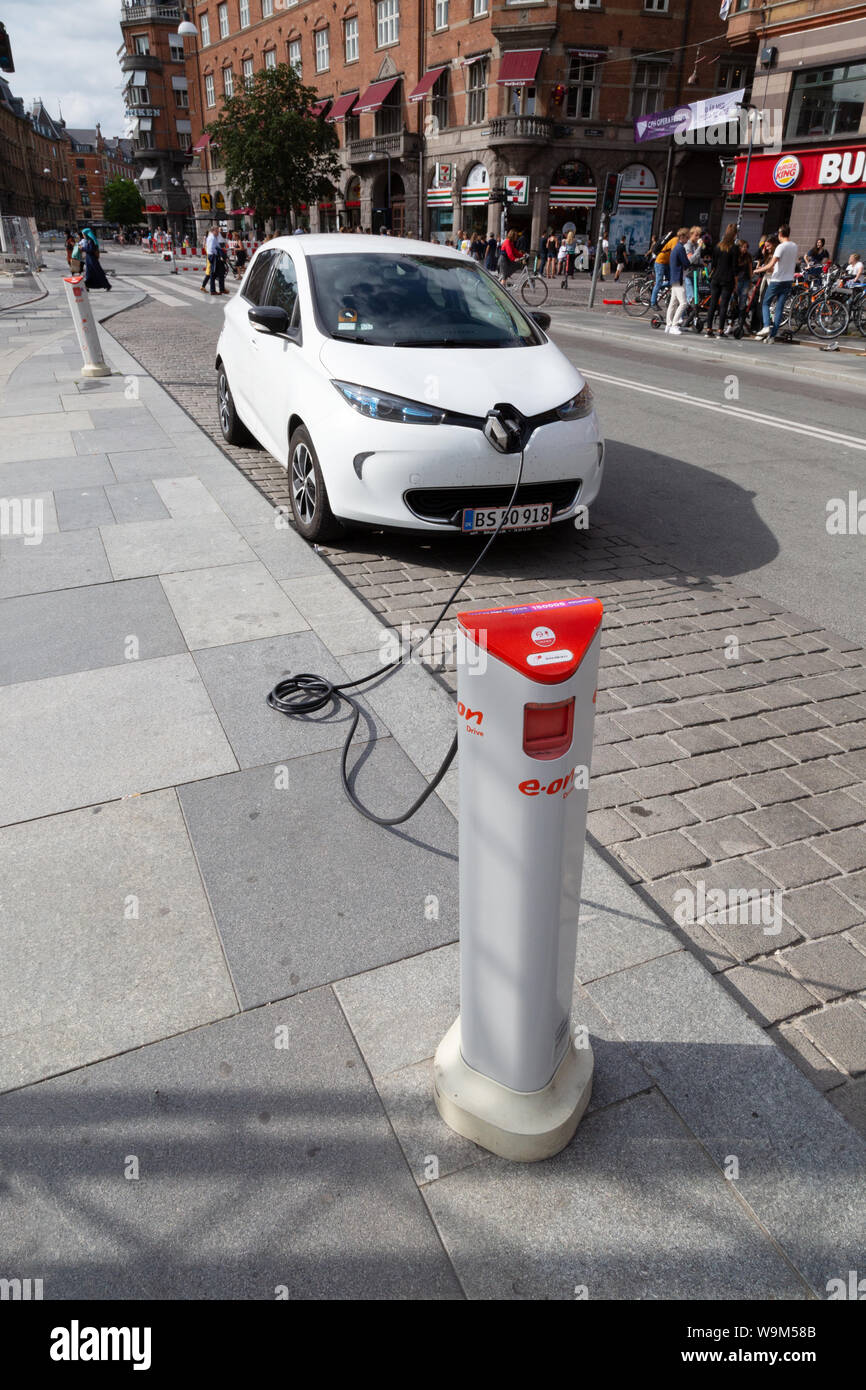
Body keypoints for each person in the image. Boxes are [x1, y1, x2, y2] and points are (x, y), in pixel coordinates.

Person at [754, 224, 798, 343]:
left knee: (765, 303)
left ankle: (766, 326)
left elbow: (770, 265)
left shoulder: (780, 247)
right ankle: (772, 337)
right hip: (788, 280)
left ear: (780, 234)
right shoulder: (794, 246)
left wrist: (756, 270)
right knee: (779, 308)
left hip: (777, 279)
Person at [704, 222, 739, 337]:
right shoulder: (734, 248)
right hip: (727, 279)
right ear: (734, 234)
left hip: (716, 278)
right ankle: (720, 330)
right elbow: (735, 267)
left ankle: (708, 329)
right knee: (724, 305)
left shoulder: (718, 246)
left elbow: (713, 264)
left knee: (713, 303)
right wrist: (736, 282)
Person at [664, 229, 691, 336]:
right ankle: (674, 325)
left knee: (673, 302)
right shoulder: (680, 248)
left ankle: (668, 324)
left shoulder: (676, 248)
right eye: (687, 237)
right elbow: (686, 263)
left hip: (674, 278)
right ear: (682, 237)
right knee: (683, 303)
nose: (688, 239)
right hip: (678, 278)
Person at [651, 230, 677, 306]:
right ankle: (653, 302)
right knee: (658, 282)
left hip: (666, 263)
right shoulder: (675, 240)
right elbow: (675, 254)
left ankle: (657, 288)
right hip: (660, 262)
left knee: (671, 282)